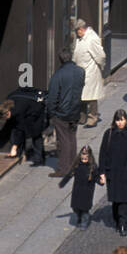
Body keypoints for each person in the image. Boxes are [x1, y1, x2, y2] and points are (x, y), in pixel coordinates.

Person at [46, 48, 85, 177]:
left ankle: (64, 169)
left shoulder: (58, 75)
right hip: (75, 110)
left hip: (62, 113)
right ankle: (73, 166)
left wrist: (51, 113)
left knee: (63, 140)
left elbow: (52, 97)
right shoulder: (80, 71)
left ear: (60, 59)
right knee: (72, 138)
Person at [98, 108, 127, 234]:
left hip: (126, 172)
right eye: (118, 120)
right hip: (113, 172)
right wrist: (102, 172)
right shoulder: (108, 134)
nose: (120, 123)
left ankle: (123, 223)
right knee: (116, 199)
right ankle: (118, 220)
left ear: (126, 120)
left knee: (124, 199)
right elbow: (103, 153)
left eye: (122, 120)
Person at [73, 19, 106, 127]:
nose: (77, 33)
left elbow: (100, 56)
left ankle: (93, 117)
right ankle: (81, 118)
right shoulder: (81, 38)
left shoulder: (91, 39)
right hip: (81, 71)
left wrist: (101, 66)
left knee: (91, 96)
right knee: (82, 96)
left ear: (81, 29)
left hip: (90, 72)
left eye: (77, 31)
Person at [4, 86, 47, 164]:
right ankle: (21, 153)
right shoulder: (12, 102)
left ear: (8, 112)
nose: (6, 120)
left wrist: (14, 147)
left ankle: (39, 158)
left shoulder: (18, 109)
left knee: (35, 134)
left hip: (37, 110)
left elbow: (19, 128)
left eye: (6, 117)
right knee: (19, 130)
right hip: (31, 108)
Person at [65, 145, 99, 229]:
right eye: (82, 159)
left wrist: (101, 181)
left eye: (85, 159)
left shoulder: (93, 168)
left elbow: (96, 177)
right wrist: (63, 182)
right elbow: (69, 174)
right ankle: (79, 217)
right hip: (77, 190)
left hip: (87, 192)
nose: (83, 161)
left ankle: (84, 222)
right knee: (75, 208)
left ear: (89, 158)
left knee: (85, 210)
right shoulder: (77, 166)